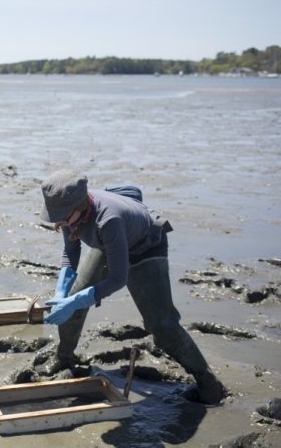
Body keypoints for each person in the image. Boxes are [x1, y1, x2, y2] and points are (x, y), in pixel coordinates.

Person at [39, 169, 226, 404]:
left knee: (162, 324)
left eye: (65, 217)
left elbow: (118, 278)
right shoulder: (67, 213)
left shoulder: (108, 219)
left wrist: (74, 301)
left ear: (82, 205)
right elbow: (70, 252)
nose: (62, 222)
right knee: (74, 297)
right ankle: (64, 357)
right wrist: (61, 293)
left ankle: (208, 382)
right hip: (110, 242)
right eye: (58, 217)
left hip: (145, 245)